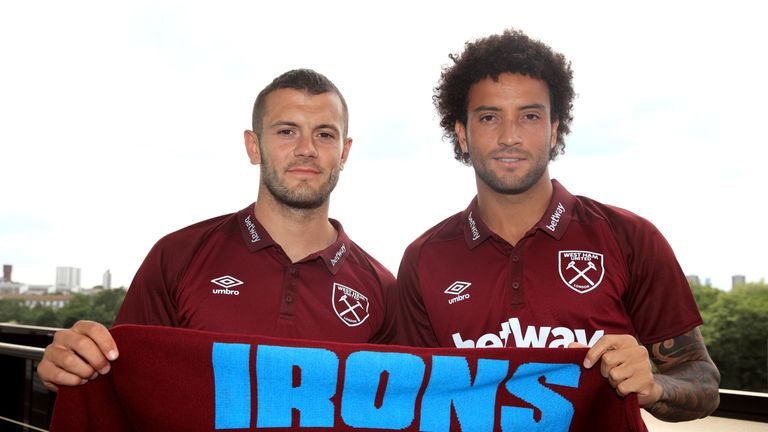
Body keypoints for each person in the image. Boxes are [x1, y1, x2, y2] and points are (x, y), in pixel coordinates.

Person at [394, 29, 720, 422]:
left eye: (530, 116)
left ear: (553, 130)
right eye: (489, 117)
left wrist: (653, 386)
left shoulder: (631, 238)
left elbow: (703, 383)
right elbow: (414, 402)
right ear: (462, 133)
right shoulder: (423, 259)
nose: (510, 136)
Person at [37, 69, 396, 391]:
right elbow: (120, 381)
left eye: (325, 135)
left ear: (345, 153)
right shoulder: (177, 256)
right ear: (253, 147)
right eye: (287, 131)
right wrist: (71, 364)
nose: (307, 149)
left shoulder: (382, 289)